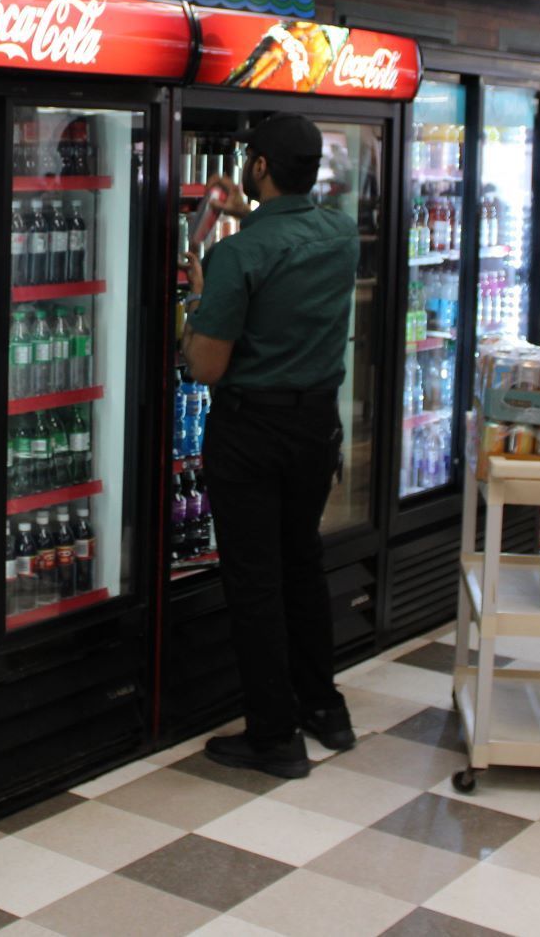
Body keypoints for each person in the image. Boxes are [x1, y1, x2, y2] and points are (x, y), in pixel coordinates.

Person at [178, 113, 357, 779]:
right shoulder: (339, 234)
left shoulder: (237, 255)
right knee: (301, 562)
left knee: (254, 580)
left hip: (252, 431)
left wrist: (200, 304)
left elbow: (207, 366)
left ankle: (273, 736)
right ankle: (324, 708)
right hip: (316, 427)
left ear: (257, 167)